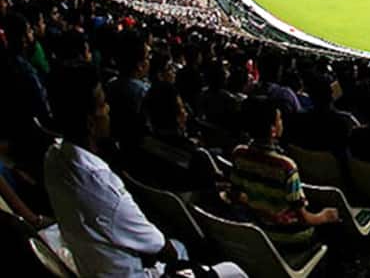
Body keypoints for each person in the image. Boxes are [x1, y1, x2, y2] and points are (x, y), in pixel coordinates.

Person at [44, 65, 245, 277]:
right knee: (233, 271)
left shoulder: (53, 157)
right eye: (102, 105)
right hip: (131, 271)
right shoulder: (102, 183)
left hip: (93, 264)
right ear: (90, 122)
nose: (108, 109)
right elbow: (162, 248)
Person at [229, 97, 339, 254]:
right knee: (332, 222)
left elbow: (235, 194)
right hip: (290, 237)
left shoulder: (239, 154)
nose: (282, 122)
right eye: (279, 119)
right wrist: (325, 217)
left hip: (259, 232)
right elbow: (304, 218)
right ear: (272, 129)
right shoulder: (285, 166)